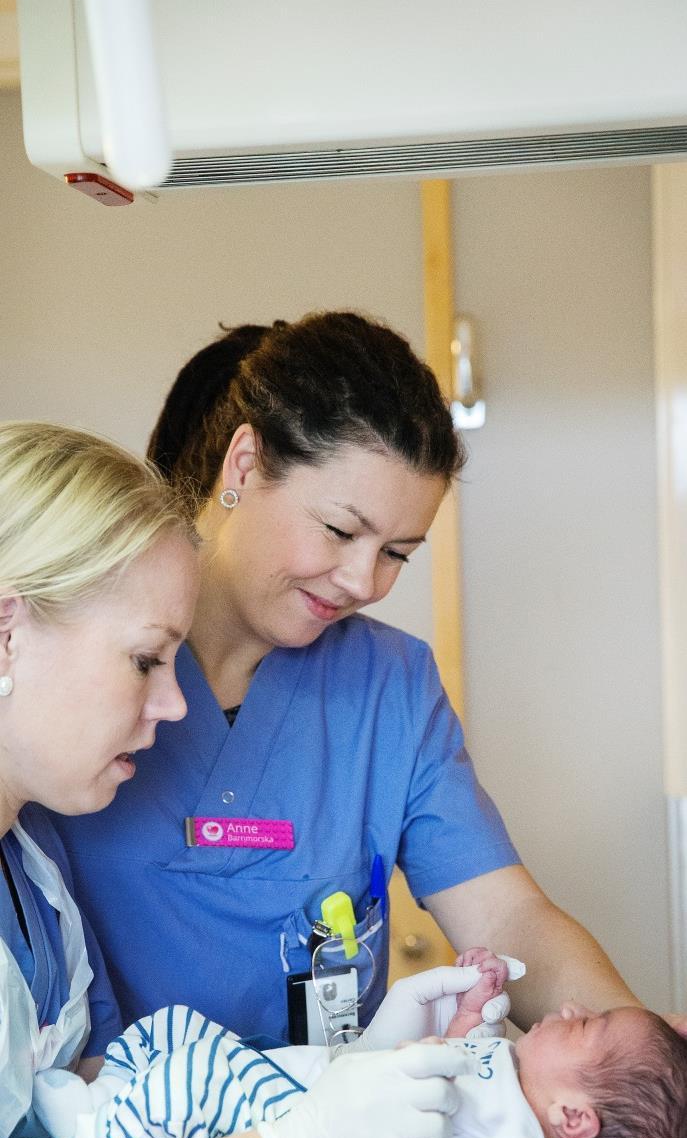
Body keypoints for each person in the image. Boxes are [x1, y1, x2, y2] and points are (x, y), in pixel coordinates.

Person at [51, 312, 649, 1043]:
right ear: (242, 465)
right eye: (339, 531)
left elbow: (504, 916)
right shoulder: (76, 646)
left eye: (397, 552)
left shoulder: (388, 685)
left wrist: (637, 1051)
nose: (362, 580)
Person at [0, 419, 480, 1138]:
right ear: (6, 632)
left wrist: (336, 1072)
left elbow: (73, 1102)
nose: (174, 705)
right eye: (145, 659)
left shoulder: (31, 879)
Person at [10, 949, 685, 1138]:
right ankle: (101, 1100)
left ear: (574, 1118)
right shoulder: (510, 1078)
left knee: (198, 1080)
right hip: (313, 1077)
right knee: (181, 1030)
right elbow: (454, 1068)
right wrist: (465, 1016)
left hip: (300, 1120)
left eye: (587, 1027)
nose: (568, 1008)